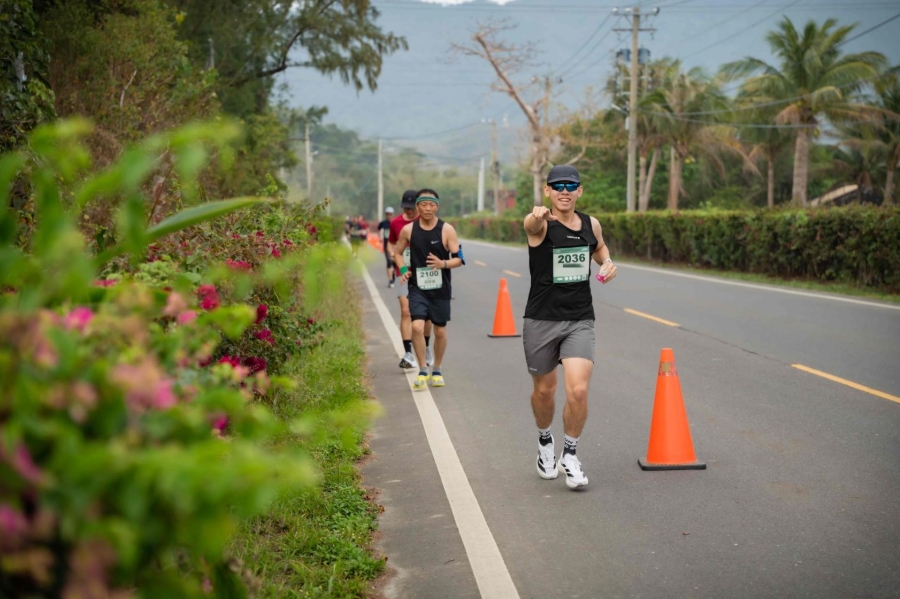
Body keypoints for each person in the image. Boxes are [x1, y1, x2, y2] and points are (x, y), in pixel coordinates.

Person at [522, 164, 617, 490]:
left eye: (570, 185)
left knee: (577, 389)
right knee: (545, 391)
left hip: (580, 319)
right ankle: (545, 442)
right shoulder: (539, 224)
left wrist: (606, 263)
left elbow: (599, 248)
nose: (564, 190)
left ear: (579, 191)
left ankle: (570, 454)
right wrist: (537, 216)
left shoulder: (591, 224)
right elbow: (530, 225)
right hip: (541, 319)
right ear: (547, 190)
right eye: (557, 185)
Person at [394, 189, 463, 391]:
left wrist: (443, 264)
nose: (427, 208)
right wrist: (404, 270)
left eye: (431, 204)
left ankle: (438, 369)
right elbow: (397, 253)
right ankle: (423, 370)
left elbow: (459, 259)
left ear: (437, 206)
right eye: (423, 204)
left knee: (439, 330)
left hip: (441, 288)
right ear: (417, 206)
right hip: (417, 287)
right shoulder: (408, 230)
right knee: (416, 326)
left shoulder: (447, 230)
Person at [389, 190, 433, 370]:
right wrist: (392, 254)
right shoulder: (396, 223)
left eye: (411, 208)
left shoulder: (426, 221)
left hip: (425, 272)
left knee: (427, 314)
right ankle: (408, 353)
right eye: (405, 208)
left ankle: (426, 347)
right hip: (404, 271)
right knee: (406, 311)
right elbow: (391, 242)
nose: (408, 212)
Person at [378, 207, 396, 287]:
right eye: (387, 214)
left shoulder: (395, 223)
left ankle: (393, 276)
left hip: (395, 246)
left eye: (390, 214)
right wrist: (380, 238)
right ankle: (390, 280)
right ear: (386, 215)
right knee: (389, 262)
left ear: (393, 215)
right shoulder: (383, 223)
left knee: (395, 264)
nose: (389, 216)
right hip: (386, 246)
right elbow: (379, 229)